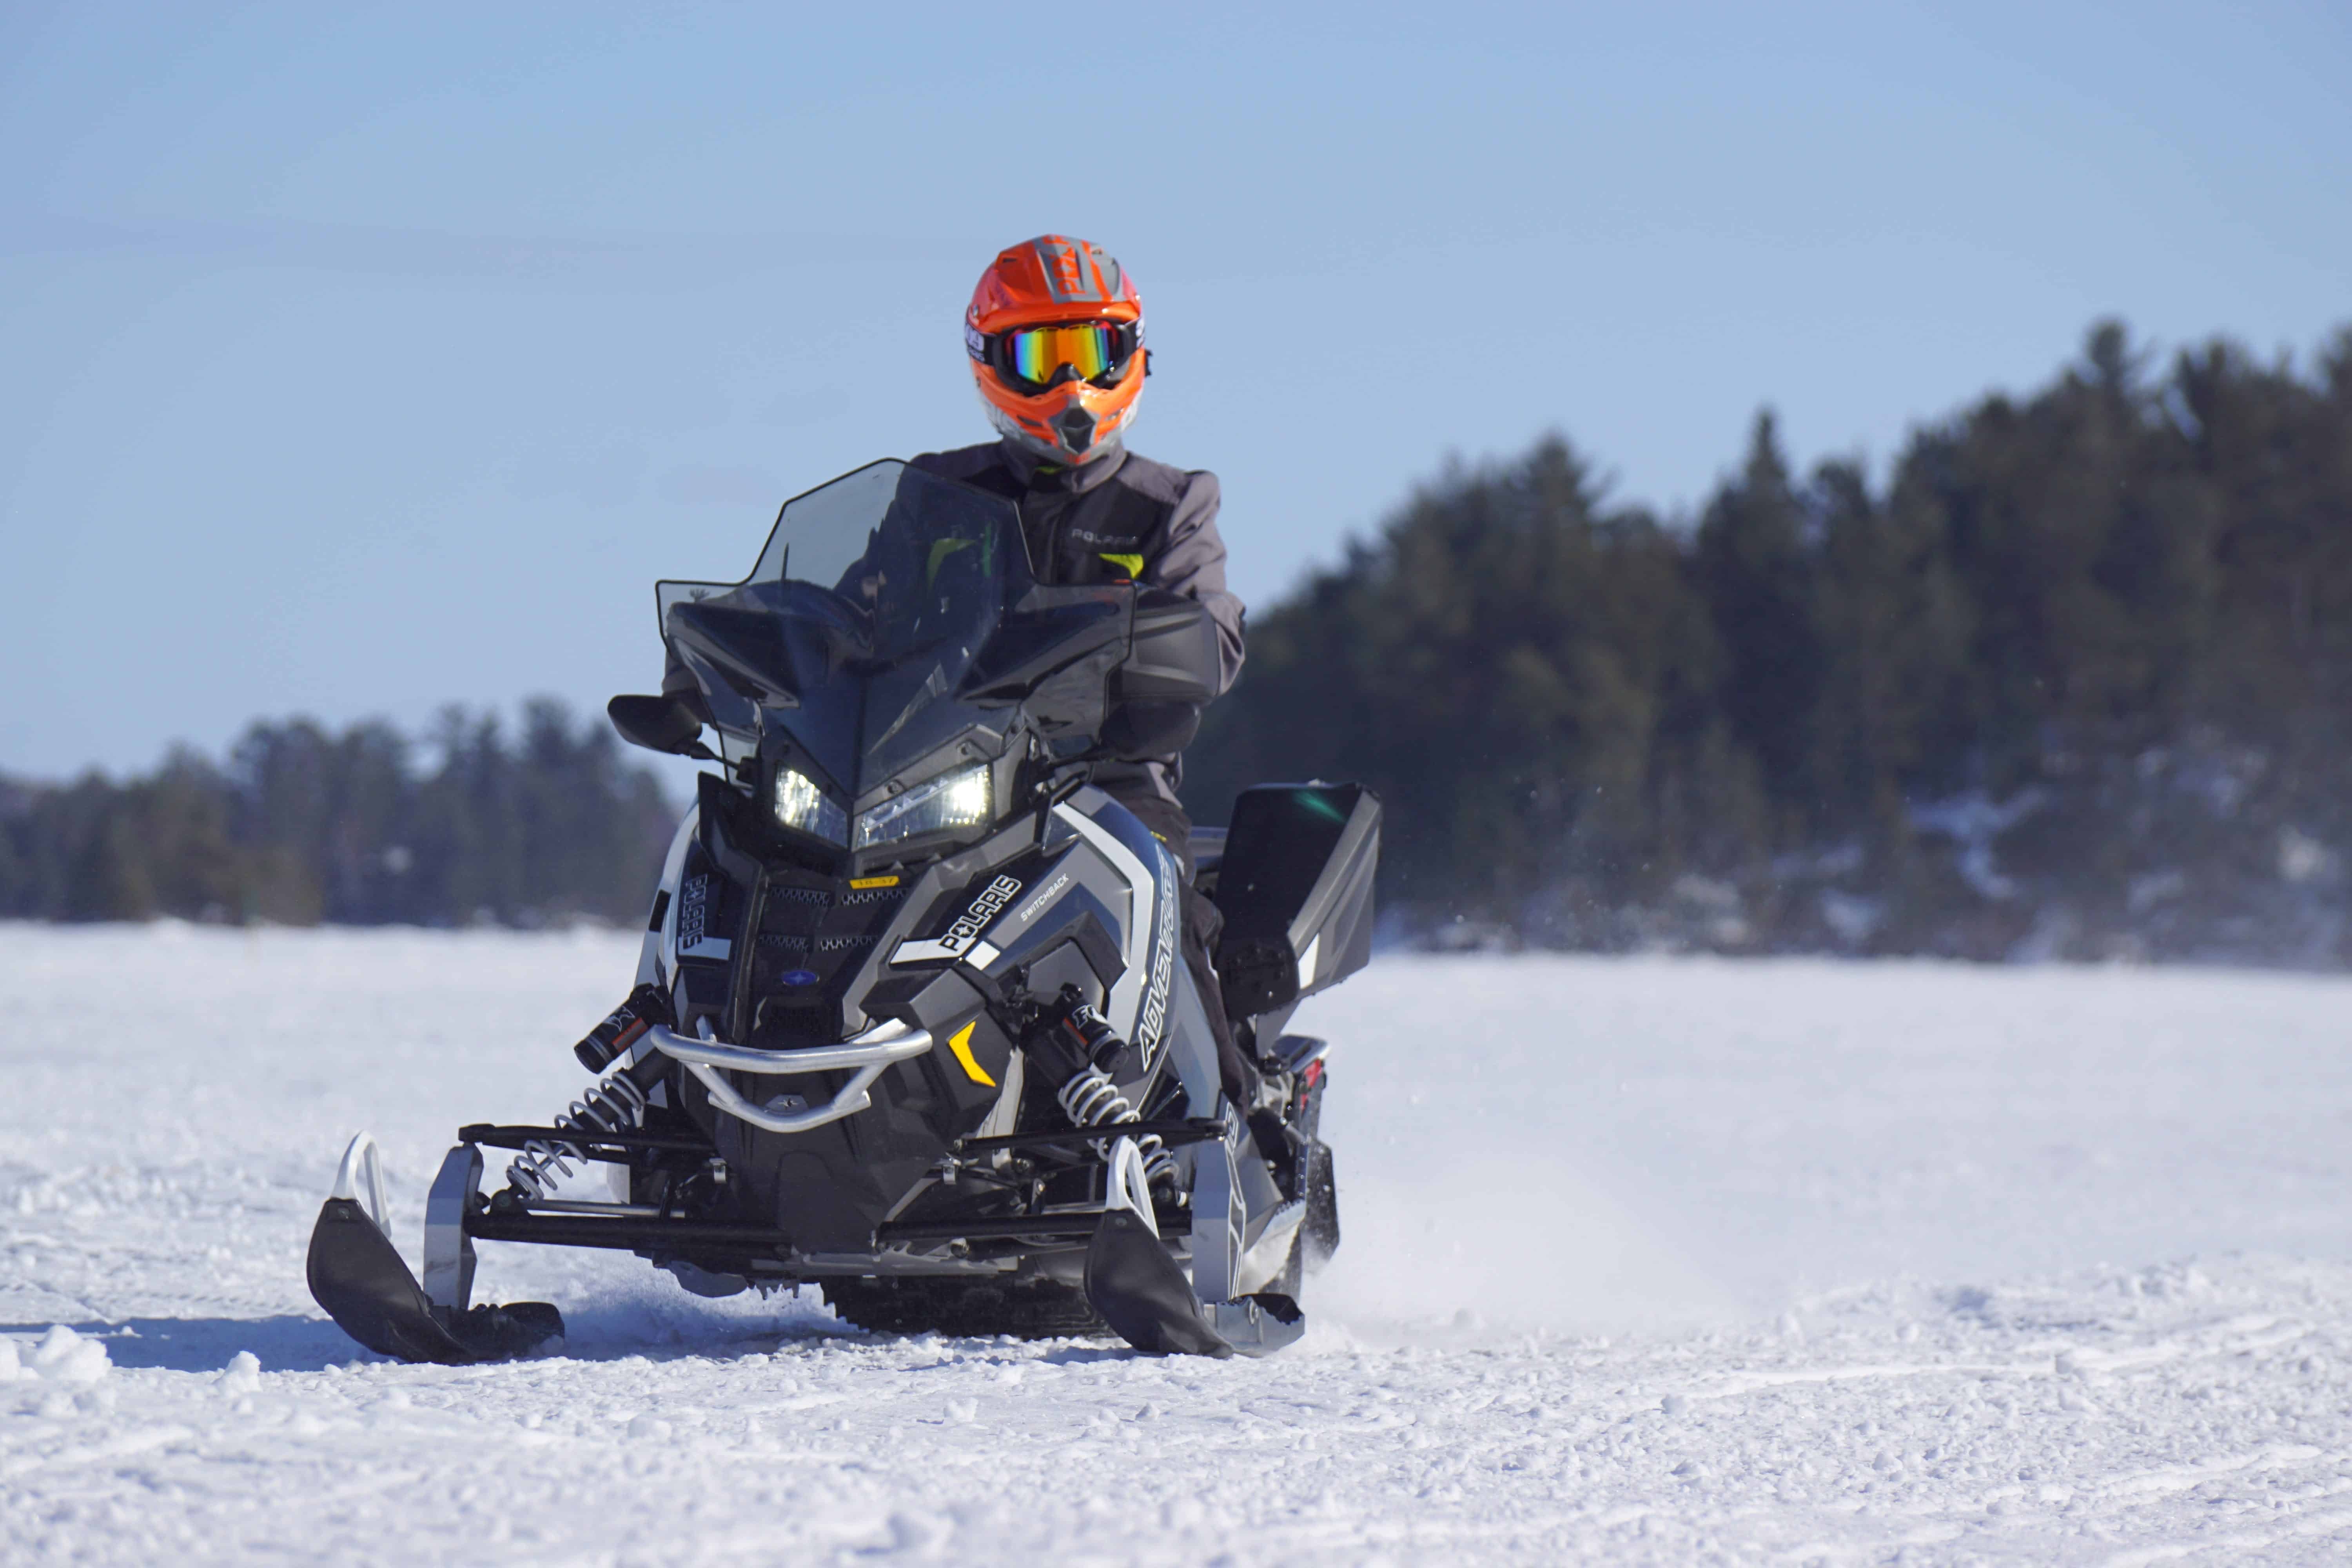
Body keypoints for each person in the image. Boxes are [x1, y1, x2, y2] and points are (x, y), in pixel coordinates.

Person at [918, 235, 1259, 1110]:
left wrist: (1152, 651)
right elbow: (854, 611)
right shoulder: (933, 497)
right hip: (943, 778)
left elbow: (1213, 633)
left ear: (1131, 356)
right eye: (1041, 356)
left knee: (1164, 902)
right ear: (992, 363)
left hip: (1107, 775)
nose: (1070, 385)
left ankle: (1230, 1114)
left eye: (1091, 354)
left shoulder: (1171, 501)